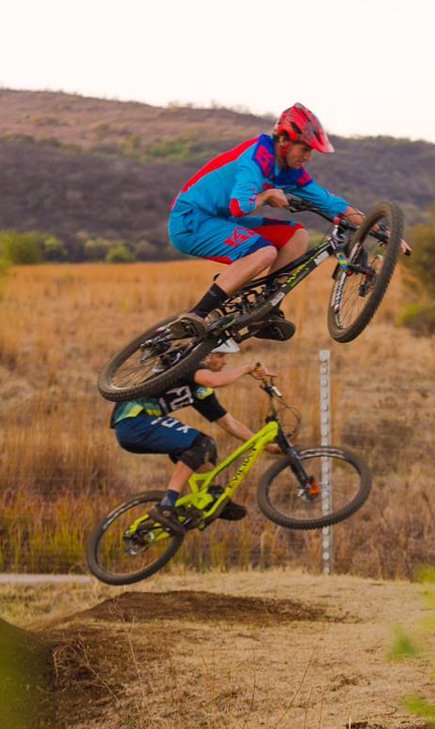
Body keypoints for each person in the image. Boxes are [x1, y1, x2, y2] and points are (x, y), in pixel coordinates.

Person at [168, 102, 366, 342]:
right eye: (305, 149)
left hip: (218, 219)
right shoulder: (256, 158)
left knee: (296, 235)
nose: (309, 157)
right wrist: (267, 195)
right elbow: (239, 206)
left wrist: (385, 232)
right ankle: (197, 314)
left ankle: (267, 309)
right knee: (265, 252)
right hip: (190, 220)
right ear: (283, 140)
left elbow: (332, 203)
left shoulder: (289, 170)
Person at [109, 339, 279, 533]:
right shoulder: (187, 365)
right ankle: (166, 505)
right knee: (201, 443)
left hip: (139, 428)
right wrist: (247, 368)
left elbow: (228, 423)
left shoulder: (200, 391)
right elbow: (213, 381)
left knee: (207, 452)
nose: (225, 362)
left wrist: (267, 446)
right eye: (221, 355)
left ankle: (210, 498)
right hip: (135, 420)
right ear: (206, 355)